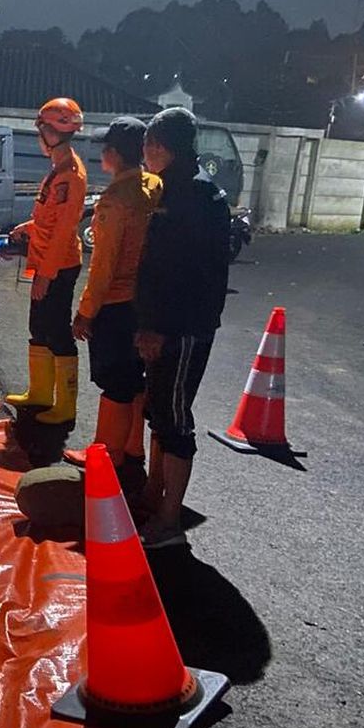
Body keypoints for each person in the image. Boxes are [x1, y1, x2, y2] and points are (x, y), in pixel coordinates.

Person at [134, 107, 230, 549]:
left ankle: (170, 518)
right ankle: (155, 495)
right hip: (165, 325)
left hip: (182, 329)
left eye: (154, 144)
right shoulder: (173, 189)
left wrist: (157, 328)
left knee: (174, 419)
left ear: (169, 146)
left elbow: (184, 275)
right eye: (147, 144)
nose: (148, 152)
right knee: (159, 411)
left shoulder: (195, 197)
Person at [64, 118, 163, 470]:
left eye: (105, 149)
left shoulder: (115, 200)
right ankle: (133, 450)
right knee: (136, 381)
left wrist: (86, 312)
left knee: (115, 384)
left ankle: (105, 457)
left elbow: (104, 266)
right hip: (147, 303)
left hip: (117, 305)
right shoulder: (154, 185)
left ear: (114, 154)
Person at [5, 98, 88, 424]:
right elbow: (51, 219)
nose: (39, 136)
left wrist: (46, 275)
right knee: (38, 327)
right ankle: (40, 393)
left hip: (59, 265)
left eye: (41, 129)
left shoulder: (70, 175)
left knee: (56, 331)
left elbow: (64, 231)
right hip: (46, 262)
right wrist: (28, 228)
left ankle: (65, 406)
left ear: (51, 132)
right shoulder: (58, 169)